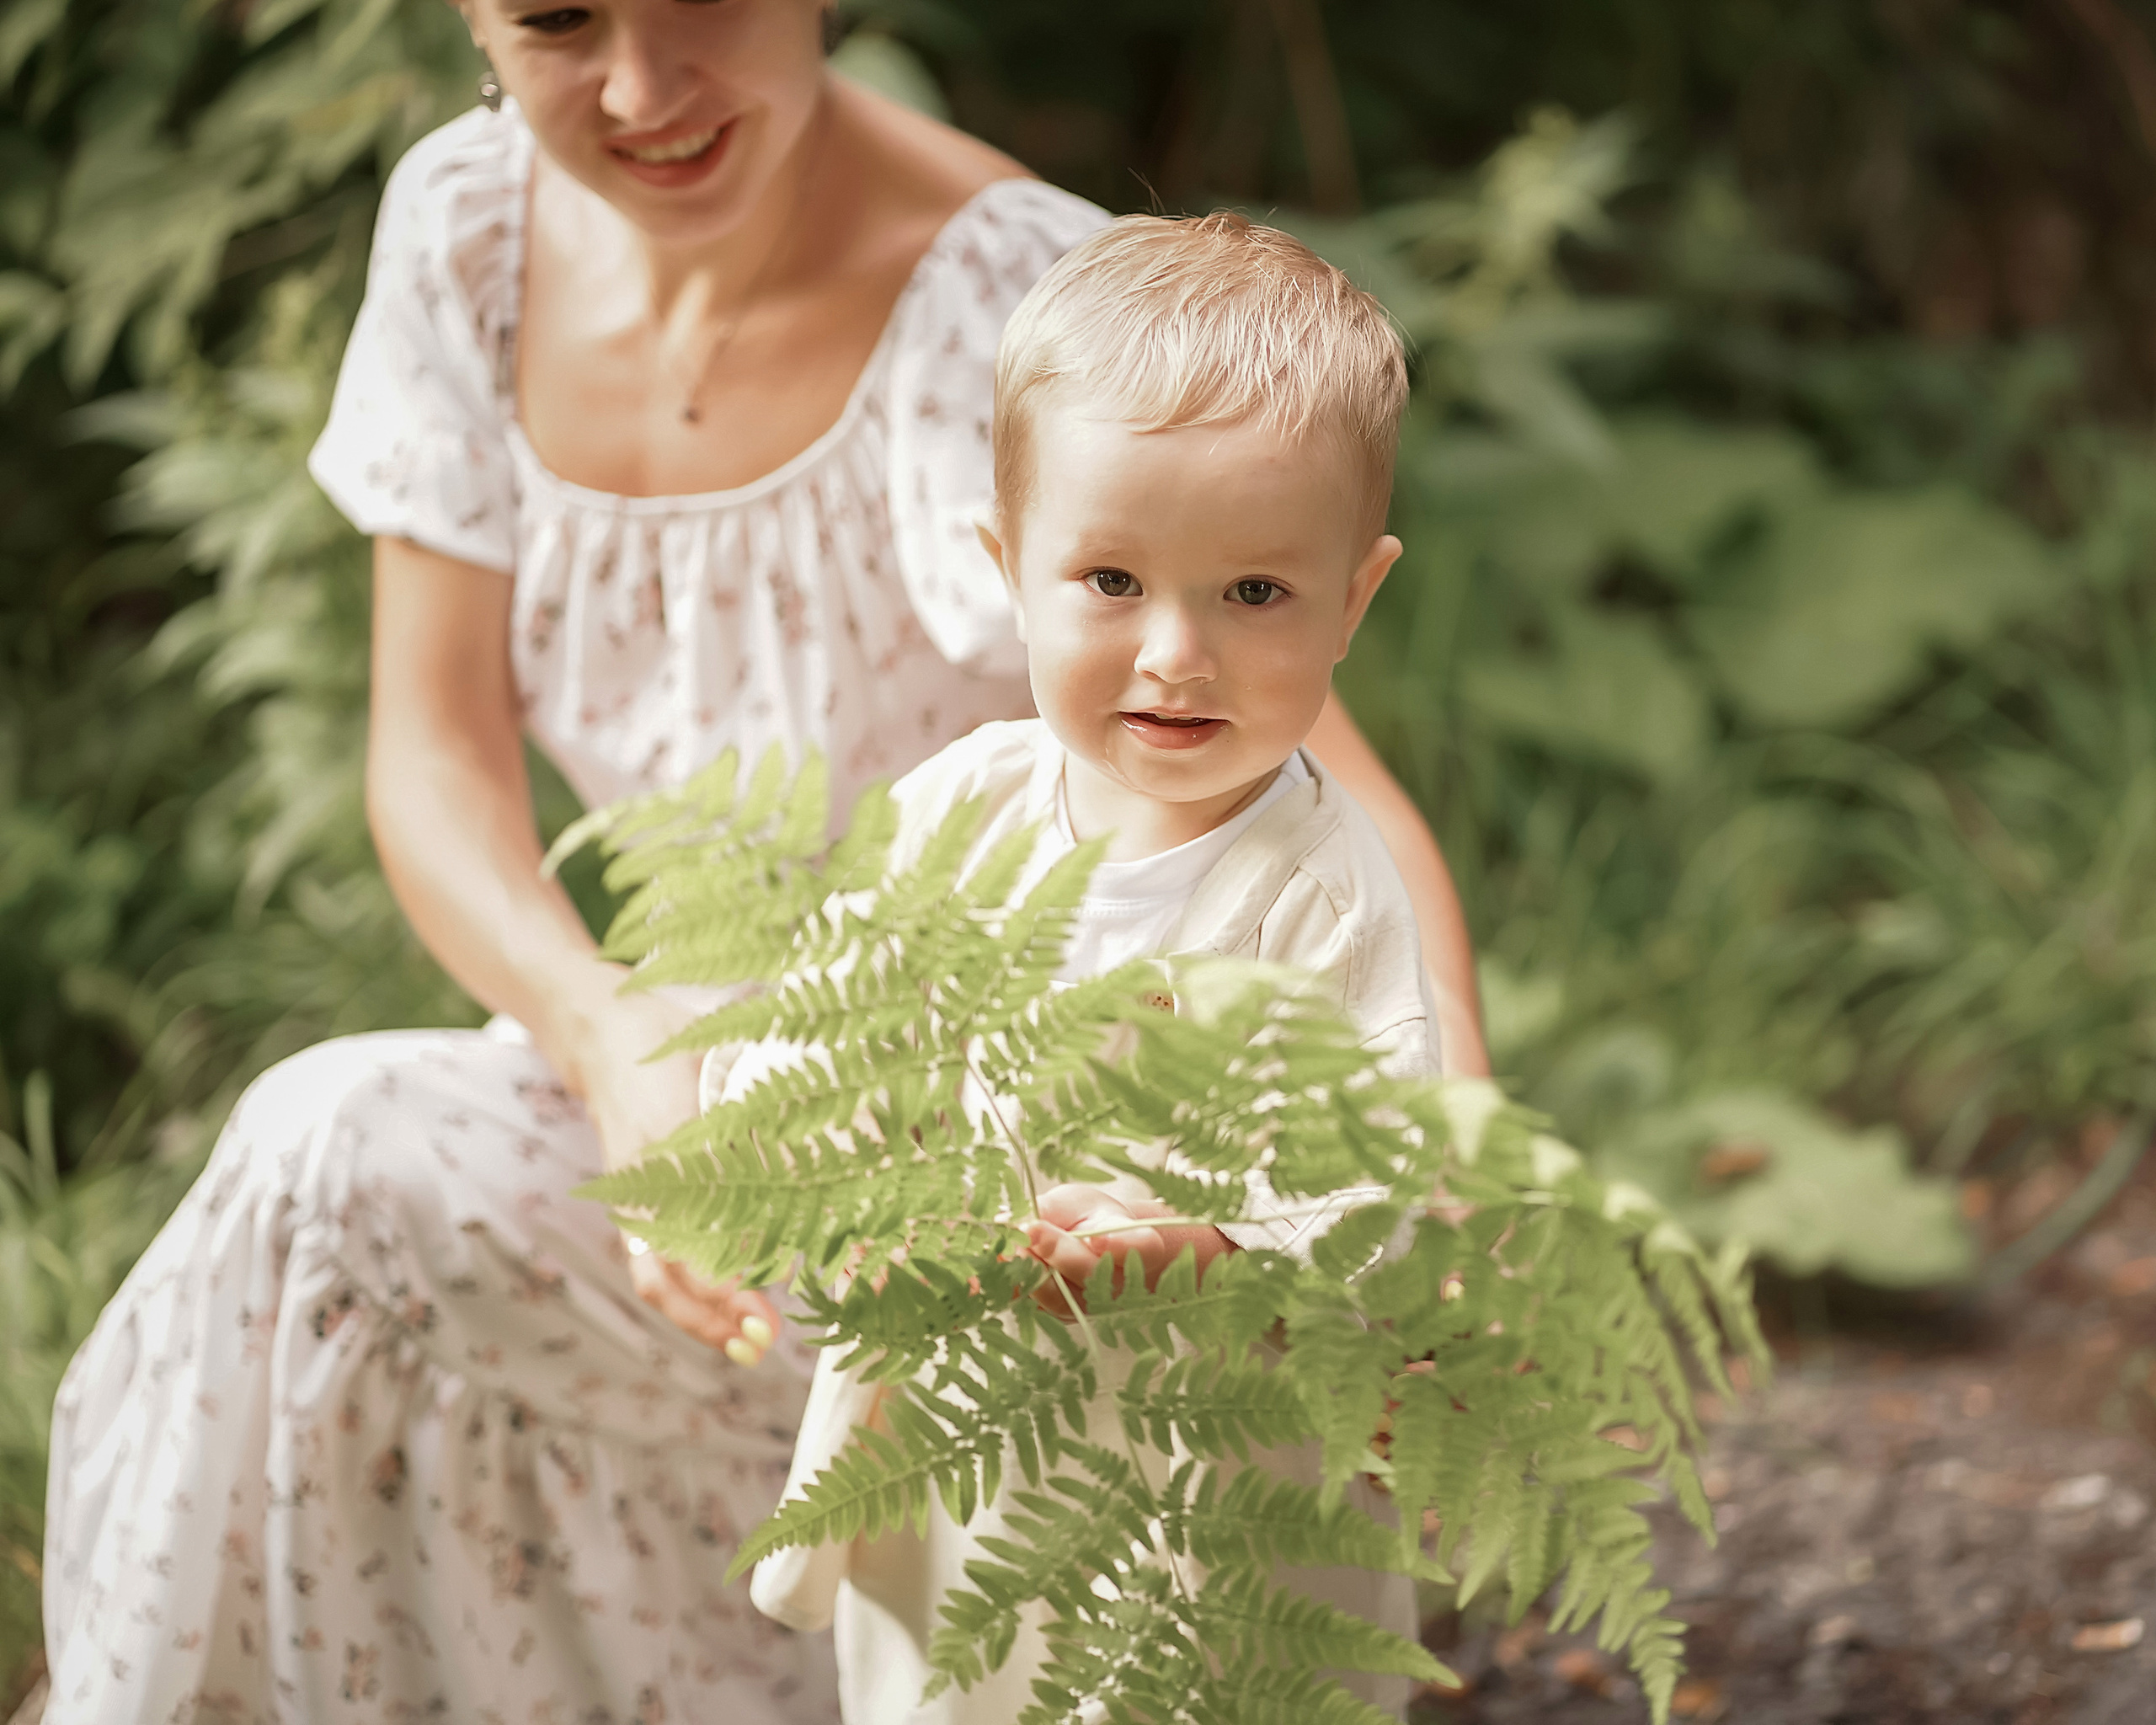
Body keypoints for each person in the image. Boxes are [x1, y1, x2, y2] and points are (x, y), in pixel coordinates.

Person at [40, 3, 1482, 1721]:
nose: (644, 92)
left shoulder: (1018, 302)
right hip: (703, 1135)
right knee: (316, 1170)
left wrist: (1436, 1235)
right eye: (561, 18)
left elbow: (1322, 797)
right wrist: (609, 1038)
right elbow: (428, 753)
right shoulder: (461, 232)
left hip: (1015, 1214)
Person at [750, 211, 1433, 1723]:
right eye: (1111, 582)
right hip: (970, 1448)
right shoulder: (956, 816)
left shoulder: (1317, 895)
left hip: (1208, 1478)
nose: (1175, 652)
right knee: (959, 1678)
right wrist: (850, 1174)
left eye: (1255, 593)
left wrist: (1216, 1248)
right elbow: (812, 1041)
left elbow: (1374, 1177)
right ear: (1010, 566)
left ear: (1354, 599)